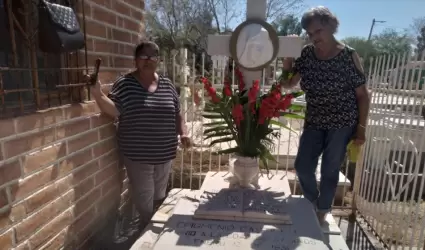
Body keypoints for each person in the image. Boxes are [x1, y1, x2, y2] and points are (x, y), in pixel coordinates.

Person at [280, 6, 370, 223]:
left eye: (318, 31)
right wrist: (287, 60)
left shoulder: (348, 56)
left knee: (330, 170)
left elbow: (363, 96)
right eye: (310, 34)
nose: (314, 38)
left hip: (342, 123)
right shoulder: (308, 55)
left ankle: (322, 210)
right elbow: (287, 83)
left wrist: (360, 129)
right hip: (315, 120)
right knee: (302, 166)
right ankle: (312, 200)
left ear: (331, 27)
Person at [90, 40, 191, 228]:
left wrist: (183, 133)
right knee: (145, 200)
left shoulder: (167, 85)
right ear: (136, 60)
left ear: (158, 60)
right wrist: (98, 94)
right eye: (143, 56)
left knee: (160, 196)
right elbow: (114, 110)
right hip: (138, 156)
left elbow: (177, 113)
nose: (148, 60)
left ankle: (156, 233)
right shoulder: (126, 84)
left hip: (165, 154)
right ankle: (146, 235)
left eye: (153, 56)